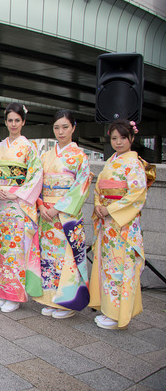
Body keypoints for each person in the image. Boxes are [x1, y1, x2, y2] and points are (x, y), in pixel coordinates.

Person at [0, 102, 43, 312]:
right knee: (0, 249)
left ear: (23, 122)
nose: (13, 124)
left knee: (16, 250)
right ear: (5, 122)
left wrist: (14, 193)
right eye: (10, 120)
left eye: (17, 120)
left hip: (18, 206)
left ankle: (15, 295)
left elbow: (35, 177)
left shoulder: (29, 148)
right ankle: (0, 291)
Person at [89, 119, 151, 330]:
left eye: (123, 138)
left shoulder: (135, 164)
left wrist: (110, 209)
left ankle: (118, 315)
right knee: (108, 267)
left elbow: (136, 195)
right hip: (108, 225)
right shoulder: (111, 161)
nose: (118, 142)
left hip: (123, 227)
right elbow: (99, 188)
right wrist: (99, 205)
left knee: (119, 268)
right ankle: (109, 309)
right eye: (114, 138)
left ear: (132, 138)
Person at [34, 110, 91, 319]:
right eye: (57, 127)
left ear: (73, 128)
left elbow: (80, 188)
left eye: (65, 127)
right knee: (49, 258)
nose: (60, 131)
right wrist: (40, 205)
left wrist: (57, 208)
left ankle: (67, 303)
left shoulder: (80, 157)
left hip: (65, 215)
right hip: (47, 215)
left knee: (67, 258)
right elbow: (36, 184)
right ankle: (50, 299)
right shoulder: (46, 156)